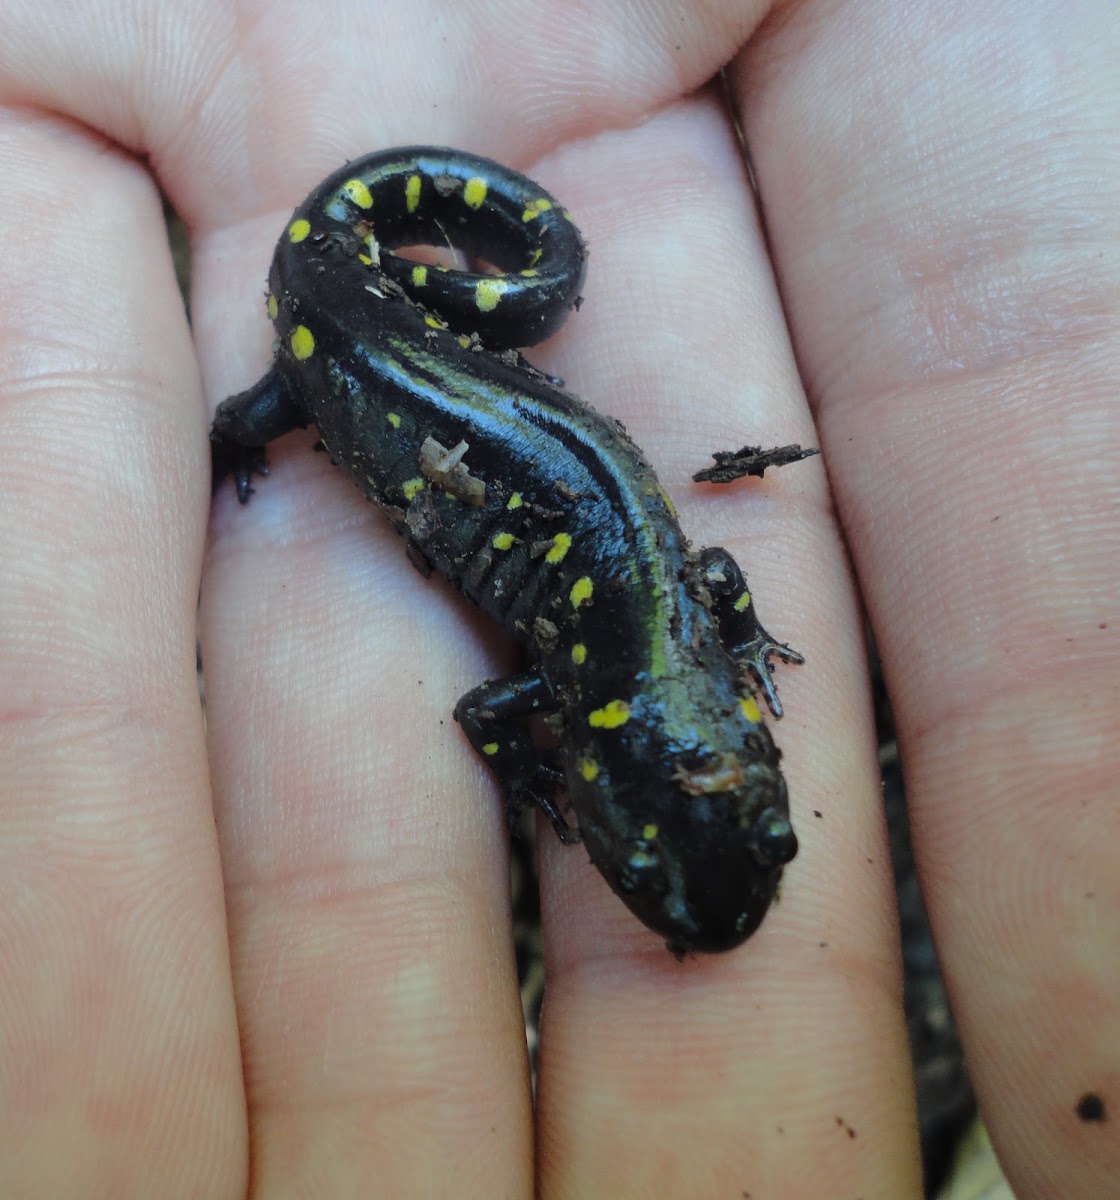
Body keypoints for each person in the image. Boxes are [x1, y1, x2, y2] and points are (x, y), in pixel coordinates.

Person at [0, 3, 1114, 1196]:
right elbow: (559, 674)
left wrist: (701, 656)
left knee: (474, 322)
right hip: (332, 356)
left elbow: (572, 666)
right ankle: (265, 414)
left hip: (394, 339)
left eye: (641, 869)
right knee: (297, 395)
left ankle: (387, 320)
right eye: (640, 869)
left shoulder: (645, 656)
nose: (671, 901)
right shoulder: (619, 675)